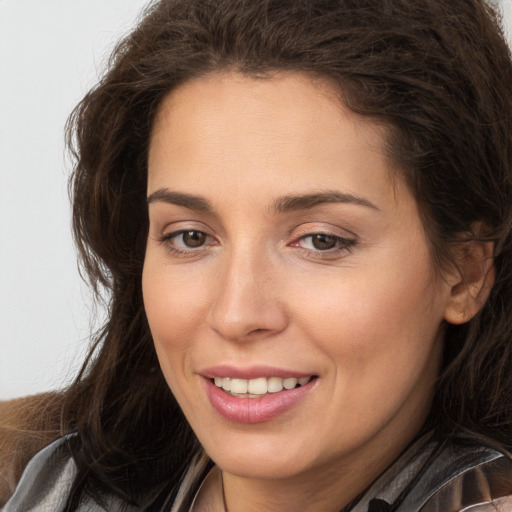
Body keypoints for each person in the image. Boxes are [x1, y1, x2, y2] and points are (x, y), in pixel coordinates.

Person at [3, 0, 512, 510]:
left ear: (465, 272)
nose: (236, 314)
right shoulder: (30, 476)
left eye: (320, 240)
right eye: (191, 237)